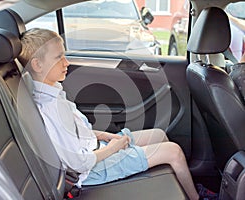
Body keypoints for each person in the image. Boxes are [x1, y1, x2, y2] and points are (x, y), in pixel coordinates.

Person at [18, 28, 217, 200]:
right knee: (173, 151)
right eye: (59, 57)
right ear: (37, 65)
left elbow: (76, 132)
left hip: (95, 149)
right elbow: (78, 163)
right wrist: (114, 147)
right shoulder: (49, 107)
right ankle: (196, 197)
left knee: (158, 134)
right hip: (90, 171)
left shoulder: (53, 93)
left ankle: (183, 187)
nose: (67, 62)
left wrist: (106, 136)